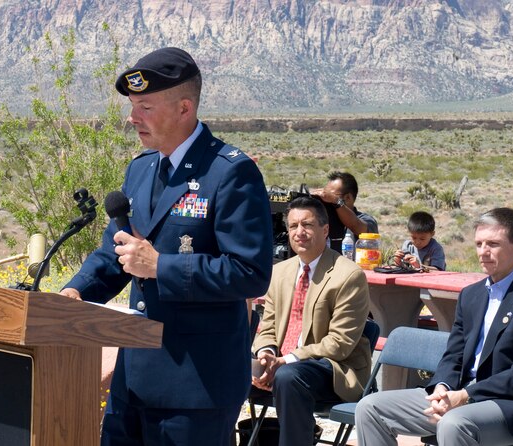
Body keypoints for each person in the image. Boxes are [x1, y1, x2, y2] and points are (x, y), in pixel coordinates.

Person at [59, 47, 273, 446]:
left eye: (144, 106)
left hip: (195, 386)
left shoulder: (230, 172)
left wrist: (162, 266)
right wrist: (76, 291)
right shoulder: (141, 168)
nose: (132, 117)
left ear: (183, 108)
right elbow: (115, 251)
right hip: (133, 381)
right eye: (132, 106)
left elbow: (250, 272)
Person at [355, 207, 513, 446]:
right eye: (479, 244)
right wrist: (442, 387)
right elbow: (453, 355)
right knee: (371, 407)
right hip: (457, 394)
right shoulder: (471, 295)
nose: (483, 252)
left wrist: (465, 396)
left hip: (509, 404)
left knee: (454, 423)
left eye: (493, 244)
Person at [251, 196, 371, 445]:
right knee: (228, 368)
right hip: (283, 363)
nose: (299, 232)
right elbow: (269, 326)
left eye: (307, 225)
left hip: (333, 369)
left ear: (325, 230)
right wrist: (266, 353)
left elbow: (339, 343)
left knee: (287, 377)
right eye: (293, 226)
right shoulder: (280, 272)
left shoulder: (348, 275)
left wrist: (285, 360)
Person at [312, 171, 378, 253]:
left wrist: (336, 202)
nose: (327, 200)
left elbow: (357, 227)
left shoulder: (366, 220)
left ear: (348, 198)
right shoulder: (323, 221)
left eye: (330, 196)